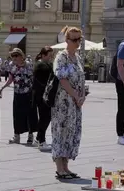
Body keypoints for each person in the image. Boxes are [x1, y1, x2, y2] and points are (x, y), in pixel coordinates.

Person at [51, 26, 85, 180]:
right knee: (61, 132)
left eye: (79, 39)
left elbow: (81, 78)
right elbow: (62, 78)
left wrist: (82, 96)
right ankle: (59, 167)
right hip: (63, 103)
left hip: (75, 103)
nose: (77, 42)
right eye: (74, 39)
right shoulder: (61, 57)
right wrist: (75, 96)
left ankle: (66, 166)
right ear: (67, 40)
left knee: (71, 132)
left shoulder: (77, 57)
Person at [0, 48, 35, 145]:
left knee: (29, 114)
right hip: (18, 93)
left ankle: (30, 135)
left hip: (28, 93)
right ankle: (17, 136)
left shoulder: (29, 65)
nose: (14, 58)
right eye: (12, 56)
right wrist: (2, 88)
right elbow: (10, 79)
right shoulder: (12, 66)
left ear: (21, 56)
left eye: (16, 55)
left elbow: (33, 78)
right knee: (17, 115)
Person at [32, 46, 54, 152]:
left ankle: (38, 139)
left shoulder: (44, 64)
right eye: (49, 56)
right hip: (42, 95)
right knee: (45, 117)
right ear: (43, 55)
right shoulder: (41, 65)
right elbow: (46, 80)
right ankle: (41, 141)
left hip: (41, 95)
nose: (51, 58)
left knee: (44, 117)